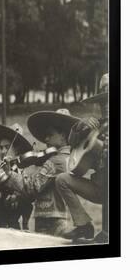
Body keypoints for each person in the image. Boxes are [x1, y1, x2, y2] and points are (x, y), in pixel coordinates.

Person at [0, 109, 79, 236]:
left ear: (63, 135)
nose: (45, 139)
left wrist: (9, 173)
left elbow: (32, 188)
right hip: (57, 217)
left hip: (50, 222)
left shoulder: (56, 161)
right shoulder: (68, 158)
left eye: (50, 134)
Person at [56, 73, 109, 242]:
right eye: (102, 102)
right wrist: (79, 127)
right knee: (62, 179)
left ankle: (108, 234)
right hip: (99, 187)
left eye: (110, 100)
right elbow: (71, 144)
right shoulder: (98, 125)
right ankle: (84, 226)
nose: (106, 105)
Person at [0, 123, 34, 230]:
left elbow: (28, 199)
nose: (3, 151)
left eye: (7, 147)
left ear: (17, 150)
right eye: (1, 147)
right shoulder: (1, 171)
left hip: (11, 227)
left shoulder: (23, 171)